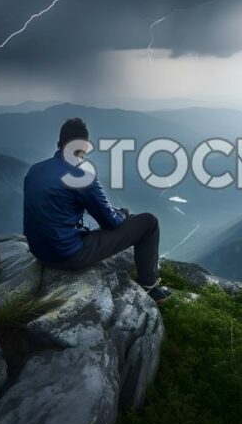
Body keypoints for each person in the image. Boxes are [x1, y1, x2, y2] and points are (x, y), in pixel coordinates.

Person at [23, 117, 172, 303]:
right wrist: (123, 213)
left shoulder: (35, 170)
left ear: (58, 144)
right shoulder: (81, 176)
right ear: (85, 147)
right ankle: (149, 287)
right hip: (67, 255)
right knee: (149, 222)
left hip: (39, 251)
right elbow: (110, 222)